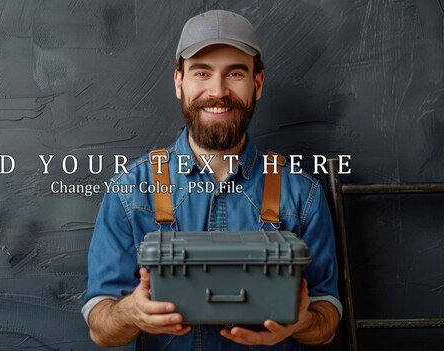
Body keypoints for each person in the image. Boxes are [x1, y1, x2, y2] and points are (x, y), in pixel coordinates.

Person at [82, 9, 341, 350]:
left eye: (234, 73)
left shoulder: (302, 192)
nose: (217, 91)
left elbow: (327, 320)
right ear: (179, 82)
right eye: (201, 72)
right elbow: (101, 329)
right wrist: (130, 312)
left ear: (257, 83)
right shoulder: (130, 190)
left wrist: (301, 322)